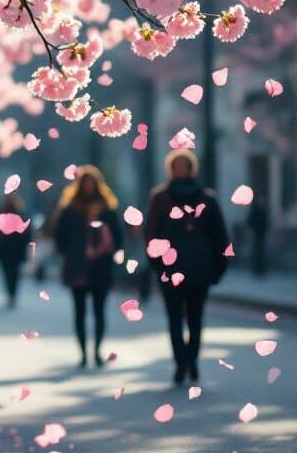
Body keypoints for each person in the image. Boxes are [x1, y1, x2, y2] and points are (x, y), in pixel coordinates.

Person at [144, 150, 230, 385]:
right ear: (171, 169)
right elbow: (150, 233)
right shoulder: (159, 198)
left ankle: (192, 359)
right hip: (169, 269)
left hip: (199, 268)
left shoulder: (207, 198)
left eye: (184, 165)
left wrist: (220, 266)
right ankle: (180, 361)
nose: (180, 169)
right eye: (176, 165)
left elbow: (219, 235)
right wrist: (156, 263)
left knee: (195, 317)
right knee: (173, 317)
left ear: (191, 168)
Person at [53, 166, 123, 368]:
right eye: (86, 184)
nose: (89, 187)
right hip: (77, 268)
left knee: (100, 311)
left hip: (101, 267)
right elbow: (59, 237)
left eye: (92, 183)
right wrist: (72, 252)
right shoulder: (70, 209)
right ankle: (84, 353)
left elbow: (118, 237)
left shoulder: (107, 209)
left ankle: (97, 351)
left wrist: (106, 249)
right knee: (80, 312)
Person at [0, 193, 29, 308]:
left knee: (8, 273)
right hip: (15, 249)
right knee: (14, 274)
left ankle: (11, 294)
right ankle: (12, 294)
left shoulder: (1, 215)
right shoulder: (20, 214)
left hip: (5, 250)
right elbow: (26, 233)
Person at [247, 195, 269, 277]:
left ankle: (260, 269)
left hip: (261, 234)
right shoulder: (256, 210)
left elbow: (266, 221)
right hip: (257, 234)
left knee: (260, 252)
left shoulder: (262, 211)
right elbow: (250, 221)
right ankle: (257, 268)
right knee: (257, 251)